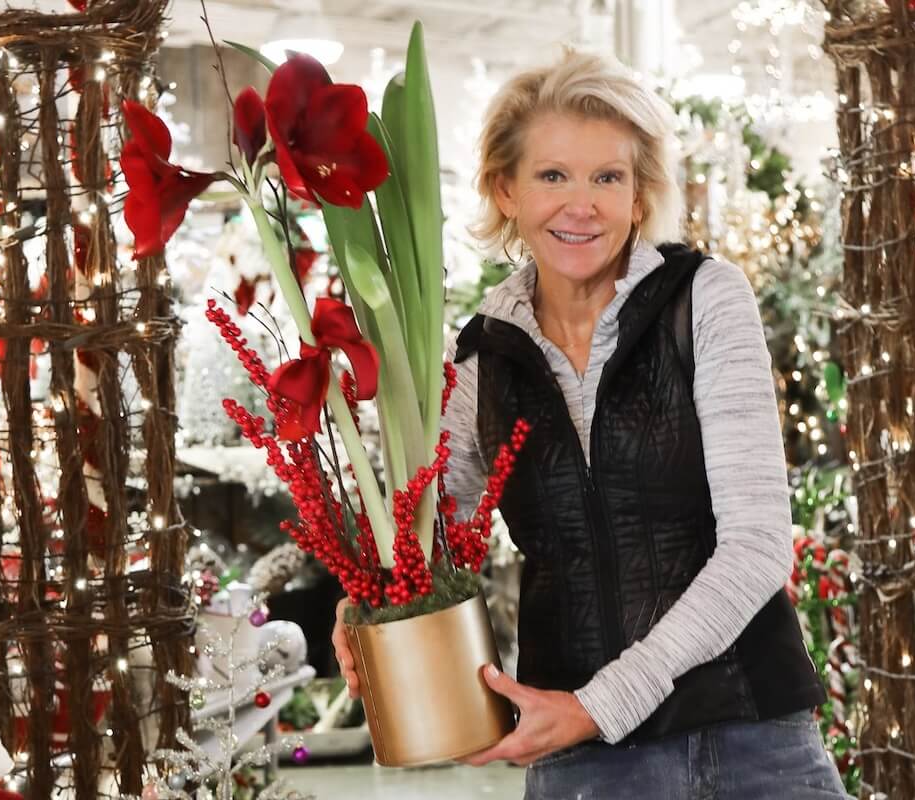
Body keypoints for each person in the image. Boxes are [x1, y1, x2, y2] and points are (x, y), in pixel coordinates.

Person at [334, 48, 851, 799]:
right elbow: (428, 539)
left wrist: (599, 705)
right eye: (553, 176)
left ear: (640, 196)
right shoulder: (479, 359)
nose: (582, 205)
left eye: (608, 177)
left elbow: (758, 546)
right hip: (586, 765)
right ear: (505, 189)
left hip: (751, 736)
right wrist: (366, 612)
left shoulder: (703, 300)